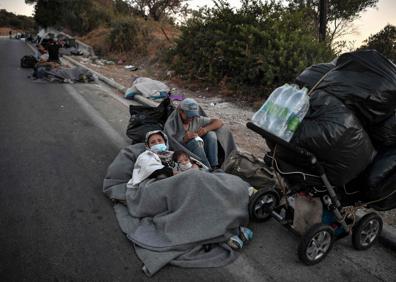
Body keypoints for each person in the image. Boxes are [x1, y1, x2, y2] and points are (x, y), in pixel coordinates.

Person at [168, 98, 223, 169]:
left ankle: (214, 166)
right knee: (196, 142)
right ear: (181, 111)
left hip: (199, 150)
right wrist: (184, 139)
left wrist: (205, 129)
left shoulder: (195, 119)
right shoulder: (172, 124)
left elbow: (219, 122)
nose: (191, 118)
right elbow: (171, 145)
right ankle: (208, 168)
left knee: (211, 135)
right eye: (189, 115)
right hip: (182, 152)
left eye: (193, 115)